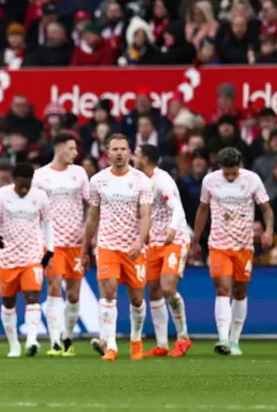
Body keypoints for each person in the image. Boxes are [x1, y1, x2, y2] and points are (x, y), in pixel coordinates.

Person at [193, 147, 274, 356]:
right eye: (226, 173)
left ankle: (235, 340)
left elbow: (266, 208)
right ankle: (222, 339)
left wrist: (268, 231)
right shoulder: (210, 181)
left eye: (233, 173)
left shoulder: (252, 179)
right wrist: (196, 239)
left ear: (240, 167)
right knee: (223, 289)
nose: (230, 177)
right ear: (220, 168)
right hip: (219, 244)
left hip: (244, 245)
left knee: (240, 292)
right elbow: (203, 209)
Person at [81, 133, 152, 361]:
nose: (119, 153)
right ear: (107, 153)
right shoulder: (98, 181)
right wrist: (84, 249)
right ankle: (111, 345)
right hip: (107, 245)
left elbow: (145, 215)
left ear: (129, 152)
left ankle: (136, 339)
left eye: (123, 149)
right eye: (115, 149)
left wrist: (140, 241)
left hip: (133, 247)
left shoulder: (142, 180)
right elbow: (92, 217)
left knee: (137, 299)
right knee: (109, 291)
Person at [0, 163, 54, 358]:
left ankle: (31, 341)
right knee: (8, 302)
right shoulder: (1, 195)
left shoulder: (40, 196)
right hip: (8, 257)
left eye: (28, 185)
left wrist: (50, 250)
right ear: (14, 179)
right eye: (21, 185)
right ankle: (14, 345)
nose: (25, 189)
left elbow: (48, 224)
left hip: (32, 256)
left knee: (32, 296)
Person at [32, 134, 89, 357]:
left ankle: (67, 337)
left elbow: (91, 205)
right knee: (54, 287)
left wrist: (88, 229)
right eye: (71, 148)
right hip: (51, 243)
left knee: (74, 295)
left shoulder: (80, 174)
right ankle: (55, 341)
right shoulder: (40, 176)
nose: (75, 153)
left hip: (76, 243)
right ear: (59, 149)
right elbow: (33, 208)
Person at [133, 144, 192, 358]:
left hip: (174, 240)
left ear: (145, 160)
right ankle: (162, 344)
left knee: (168, 288)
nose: (133, 157)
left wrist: (172, 229)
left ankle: (183, 338)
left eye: (137, 155)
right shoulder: (139, 181)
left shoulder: (162, 180)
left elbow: (178, 208)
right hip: (153, 243)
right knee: (154, 291)